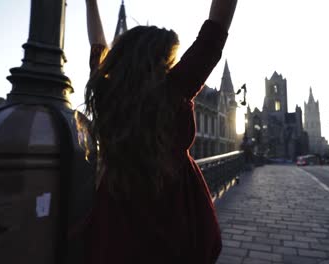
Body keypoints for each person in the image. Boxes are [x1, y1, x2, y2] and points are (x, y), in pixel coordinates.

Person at [83, 0, 237, 263]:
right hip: (173, 216)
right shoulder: (173, 89)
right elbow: (215, 31)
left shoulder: (108, 96)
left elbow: (97, 46)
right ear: (157, 61)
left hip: (116, 217)